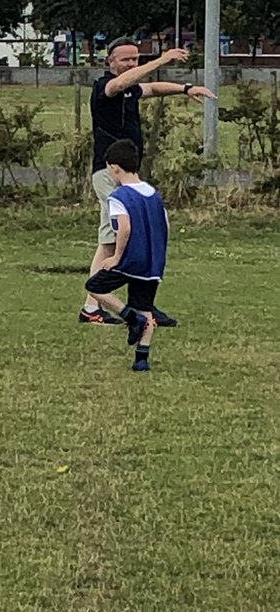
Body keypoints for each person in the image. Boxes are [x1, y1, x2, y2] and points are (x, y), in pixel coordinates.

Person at [79, 36, 216, 326]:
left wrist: (186, 88)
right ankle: (95, 306)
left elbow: (152, 87)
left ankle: (139, 306)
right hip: (109, 173)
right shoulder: (104, 87)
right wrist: (162, 59)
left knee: (130, 236)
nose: (131, 63)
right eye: (125, 59)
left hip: (128, 175)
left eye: (135, 58)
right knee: (113, 238)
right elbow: (119, 85)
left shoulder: (131, 90)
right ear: (110, 62)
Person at [84, 139, 168, 372]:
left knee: (94, 286)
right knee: (146, 306)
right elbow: (165, 225)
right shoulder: (153, 193)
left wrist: (117, 257)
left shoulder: (119, 197)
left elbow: (125, 228)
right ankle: (142, 359)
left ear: (114, 168)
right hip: (152, 261)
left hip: (131, 259)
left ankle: (130, 318)